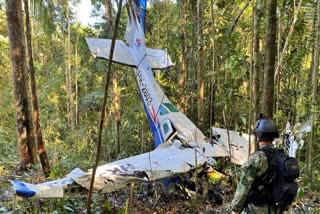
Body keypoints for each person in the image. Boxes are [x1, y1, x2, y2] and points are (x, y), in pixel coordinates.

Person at [231, 118, 281, 214]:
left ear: (258, 136)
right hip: (277, 208)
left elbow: (244, 187)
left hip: (257, 209)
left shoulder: (256, 158)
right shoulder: (282, 155)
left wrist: (235, 209)